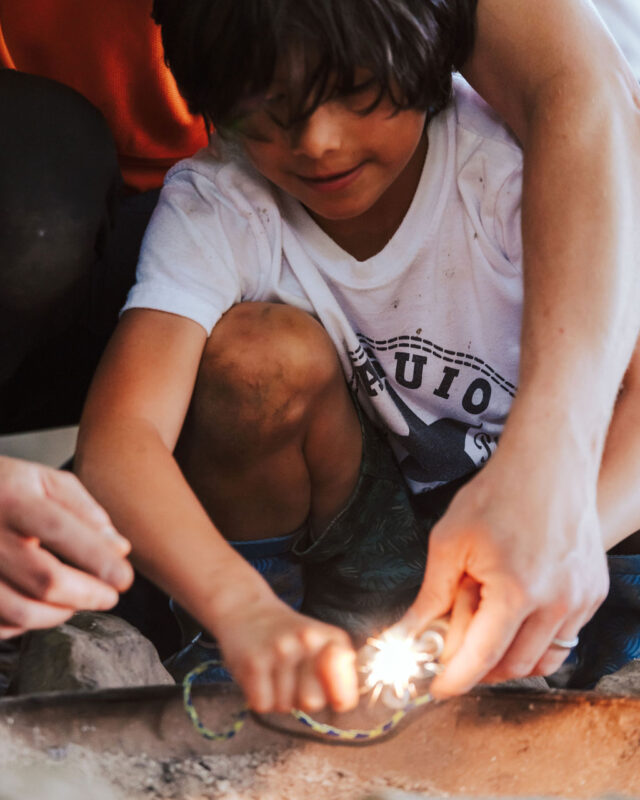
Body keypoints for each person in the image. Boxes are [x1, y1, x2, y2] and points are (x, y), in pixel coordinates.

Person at [1, 0, 639, 688]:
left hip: (585, 510)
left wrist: (567, 530)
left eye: (355, 91)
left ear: (431, 57)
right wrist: (240, 609)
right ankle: (281, 650)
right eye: (270, 107)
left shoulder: (513, 172)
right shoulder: (221, 206)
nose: (316, 141)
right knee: (255, 358)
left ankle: (592, 634)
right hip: (384, 527)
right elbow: (122, 439)